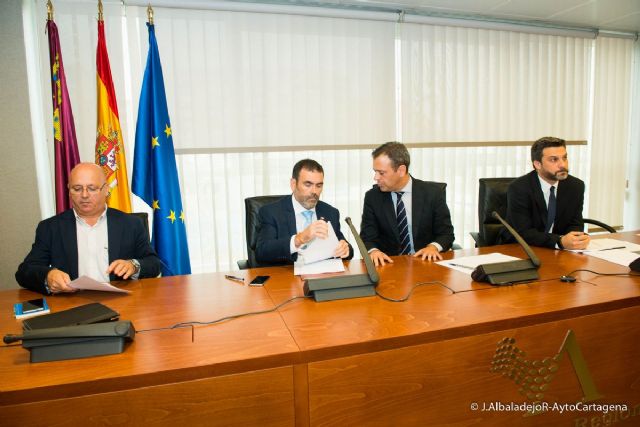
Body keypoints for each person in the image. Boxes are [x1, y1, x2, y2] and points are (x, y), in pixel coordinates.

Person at [16, 163, 161, 294]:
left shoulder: (131, 224)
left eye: (92, 188)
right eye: (77, 189)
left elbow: (154, 264)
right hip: (72, 305)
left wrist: (133, 266)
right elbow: (24, 272)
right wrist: (48, 276)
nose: (84, 195)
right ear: (69, 191)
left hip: (120, 300)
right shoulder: (51, 228)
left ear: (106, 190)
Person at [360, 142, 455, 266]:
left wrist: (433, 247)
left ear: (401, 170)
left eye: (381, 173)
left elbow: (446, 234)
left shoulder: (432, 193)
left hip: (425, 263)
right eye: (375, 172)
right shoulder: (373, 197)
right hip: (389, 265)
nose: (376, 177)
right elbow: (367, 237)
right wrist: (374, 251)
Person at [256, 159, 353, 265]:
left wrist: (345, 249)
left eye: (319, 185)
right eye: (308, 184)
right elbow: (262, 251)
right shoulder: (272, 212)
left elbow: (345, 247)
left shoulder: (330, 212)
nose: (314, 191)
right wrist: (299, 239)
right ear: (293, 184)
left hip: (322, 276)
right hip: (288, 277)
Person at [502, 136, 590, 250]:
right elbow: (523, 232)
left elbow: (575, 223)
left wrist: (576, 239)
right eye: (554, 159)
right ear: (537, 164)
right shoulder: (519, 188)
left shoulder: (575, 186)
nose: (562, 164)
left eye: (564, 158)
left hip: (558, 252)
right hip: (521, 248)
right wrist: (559, 241)